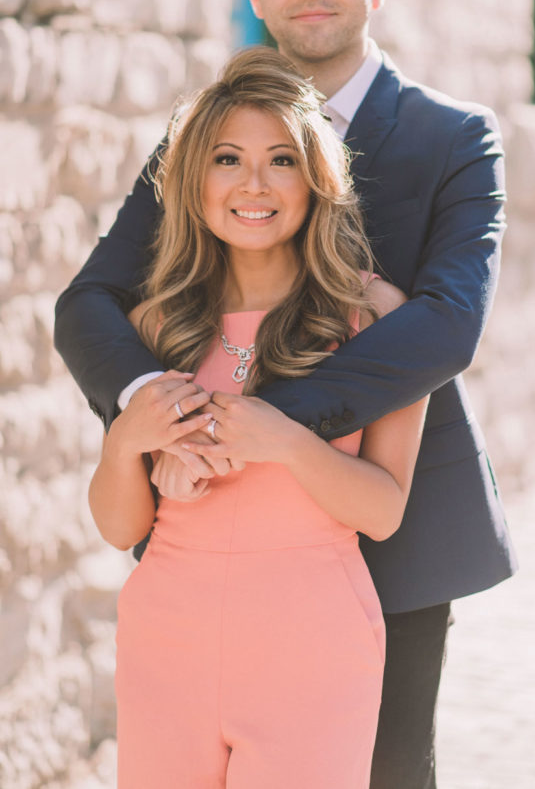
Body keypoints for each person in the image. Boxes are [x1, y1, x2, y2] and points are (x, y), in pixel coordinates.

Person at [55, 0, 517, 789]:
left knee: (388, 773)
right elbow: (88, 302)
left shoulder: (454, 137)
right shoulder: (200, 143)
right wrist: (158, 412)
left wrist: (258, 422)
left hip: (394, 518)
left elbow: (446, 325)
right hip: (204, 541)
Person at [88, 46, 428, 788]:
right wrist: (125, 445)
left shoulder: (375, 317)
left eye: (281, 160)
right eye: (227, 159)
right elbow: (119, 528)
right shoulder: (154, 325)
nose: (253, 184)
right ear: (195, 180)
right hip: (166, 640)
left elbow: (383, 511)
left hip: (313, 647)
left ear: (315, 178)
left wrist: (288, 443)